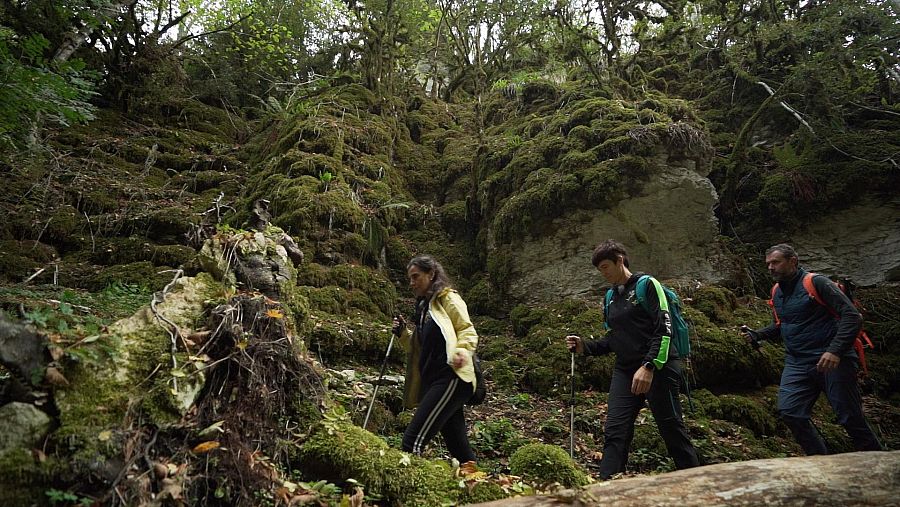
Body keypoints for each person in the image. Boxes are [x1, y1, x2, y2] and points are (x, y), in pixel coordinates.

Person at [565, 239, 699, 479]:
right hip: (626, 370)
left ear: (619, 260)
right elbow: (614, 340)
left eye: (605, 266)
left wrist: (649, 366)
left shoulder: (647, 285)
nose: (602, 273)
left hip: (660, 367)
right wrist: (585, 346)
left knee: (671, 428)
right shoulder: (610, 297)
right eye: (599, 269)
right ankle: (607, 488)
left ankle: (696, 482)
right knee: (616, 429)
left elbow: (664, 329)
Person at [740, 243, 883, 454]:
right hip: (797, 362)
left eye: (776, 262)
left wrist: (835, 351)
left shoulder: (816, 282)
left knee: (849, 416)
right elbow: (785, 325)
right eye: (768, 264)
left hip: (834, 360)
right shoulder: (777, 292)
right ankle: (821, 462)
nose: (771, 268)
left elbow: (852, 317)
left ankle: (881, 463)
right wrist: (758, 334)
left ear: (793, 261)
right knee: (790, 412)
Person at [393, 255, 478, 464]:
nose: (412, 283)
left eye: (416, 277)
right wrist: (403, 334)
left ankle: (409, 490)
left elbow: (467, 330)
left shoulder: (448, 299)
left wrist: (462, 351)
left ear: (431, 274)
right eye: (410, 279)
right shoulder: (424, 309)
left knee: (412, 442)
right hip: (434, 380)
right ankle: (478, 485)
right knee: (459, 448)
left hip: (450, 376)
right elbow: (418, 347)